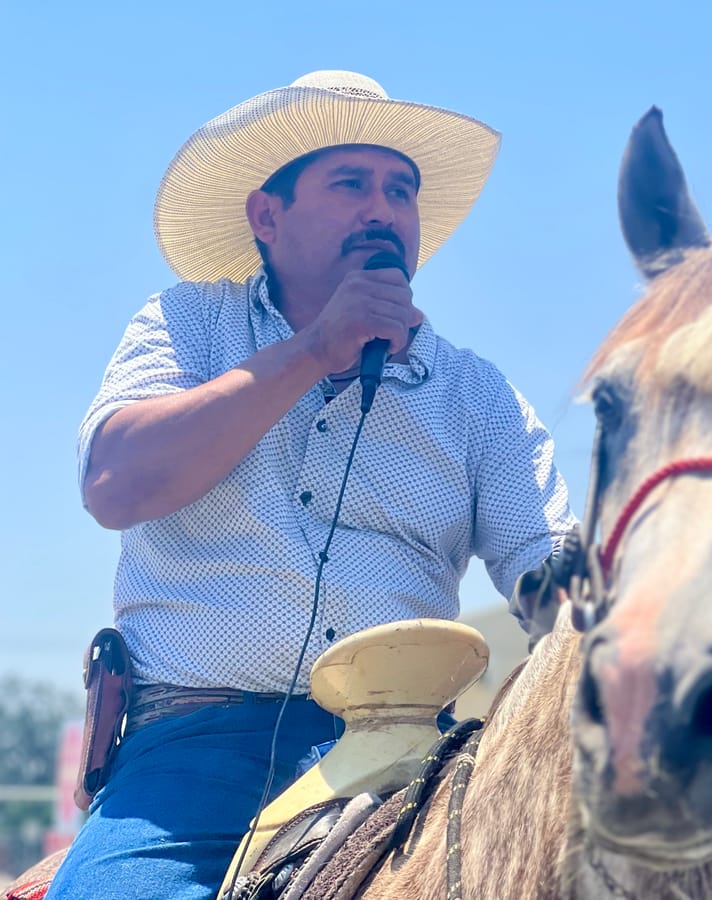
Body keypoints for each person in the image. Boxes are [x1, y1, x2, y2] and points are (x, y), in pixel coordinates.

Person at [47, 70, 576, 899]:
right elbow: (115, 483)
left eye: (400, 190)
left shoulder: (478, 396)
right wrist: (313, 353)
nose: (383, 209)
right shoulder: (187, 324)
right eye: (351, 184)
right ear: (268, 215)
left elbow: (550, 575)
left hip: (412, 758)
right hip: (192, 757)